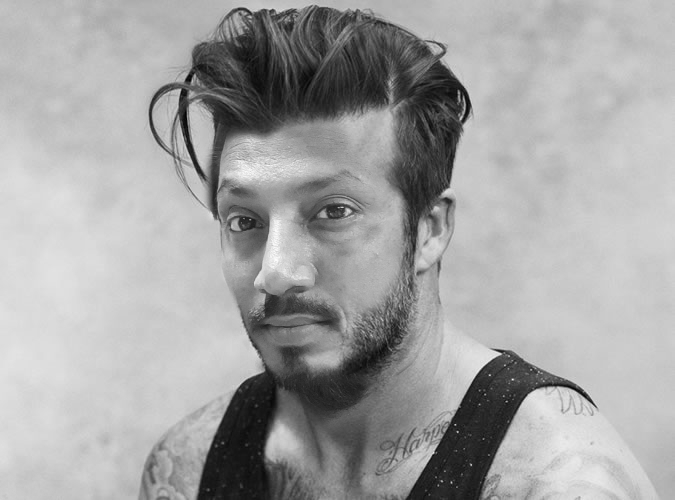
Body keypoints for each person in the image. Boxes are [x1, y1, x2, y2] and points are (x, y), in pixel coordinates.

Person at [140, 6, 658, 499]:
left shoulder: (558, 481)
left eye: (333, 212)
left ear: (430, 229)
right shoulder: (189, 466)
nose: (275, 272)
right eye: (244, 221)